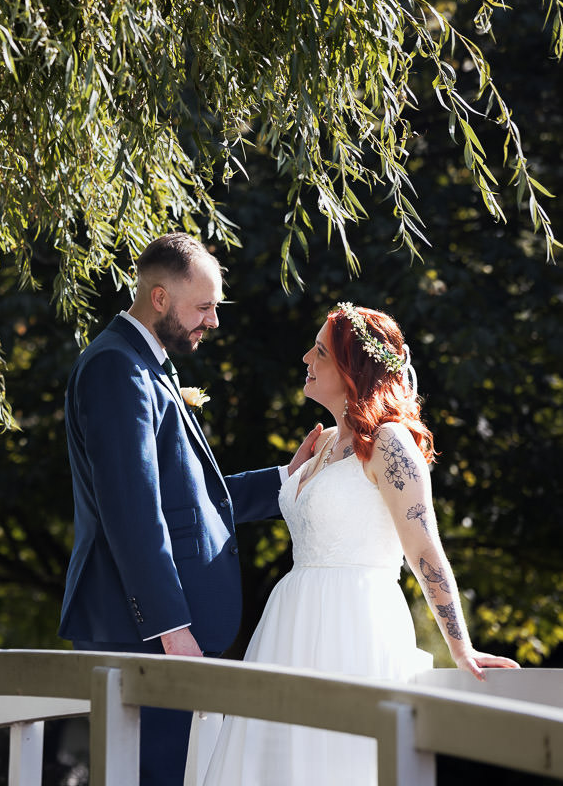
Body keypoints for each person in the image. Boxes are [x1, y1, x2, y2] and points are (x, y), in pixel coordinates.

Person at [191, 303, 518, 786]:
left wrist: (461, 645)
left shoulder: (390, 443)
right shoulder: (322, 445)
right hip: (289, 626)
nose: (306, 357)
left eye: (320, 352)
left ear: (352, 371)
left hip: (354, 625)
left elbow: (424, 549)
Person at [58, 233, 315, 786]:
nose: (213, 322)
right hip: (145, 635)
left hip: (160, 634)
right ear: (158, 299)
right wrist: (172, 630)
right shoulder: (116, 370)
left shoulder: (148, 365)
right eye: (203, 307)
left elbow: (191, 501)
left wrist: (284, 481)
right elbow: (132, 511)